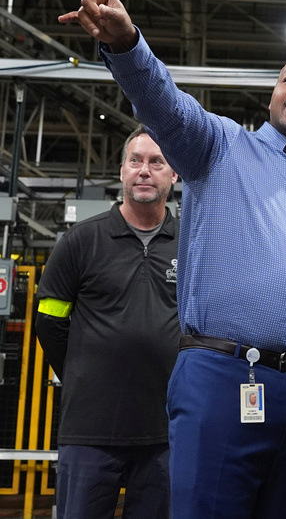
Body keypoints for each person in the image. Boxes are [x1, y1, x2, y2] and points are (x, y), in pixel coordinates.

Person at [58, 0, 286, 519]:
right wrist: (128, 44)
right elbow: (164, 104)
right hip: (224, 380)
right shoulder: (219, 149)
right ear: (274, 95)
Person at [36, 127, 179, 519]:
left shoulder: (192, 245)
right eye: (136, 161)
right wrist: (85, 372)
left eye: (156, 162)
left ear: (174, 174)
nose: (145, 171)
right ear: (122, 172)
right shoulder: (81, 241)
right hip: (90, 430)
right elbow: (48, 321)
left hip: (165, 432)